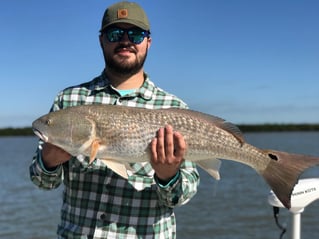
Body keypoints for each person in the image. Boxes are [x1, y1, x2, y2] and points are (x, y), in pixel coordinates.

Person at [30, 1, 200, 238]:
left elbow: (180, 197)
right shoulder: (69, 100)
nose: (126, 41)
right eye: (116, 33)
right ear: (101, 39)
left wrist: (168, 176)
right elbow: (42, 183)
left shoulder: (175, 109)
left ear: (148, 42)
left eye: (137, 34)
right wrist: (48, 161)